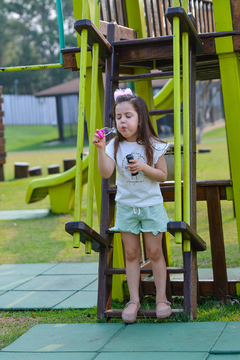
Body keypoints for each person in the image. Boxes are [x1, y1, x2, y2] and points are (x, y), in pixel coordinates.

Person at [92, 88, 171, 323]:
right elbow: (106, 172)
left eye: (128, 116)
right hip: (126, 207)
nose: (123, 121)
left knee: (155, 252)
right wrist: (99, 149)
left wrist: (144, 167)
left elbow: (162, 176)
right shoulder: (113, 145)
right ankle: (133, 300)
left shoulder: (153, 144)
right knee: (131, 253)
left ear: (140, 118)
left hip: (151, 206)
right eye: (118, 117)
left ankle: (161, 298)